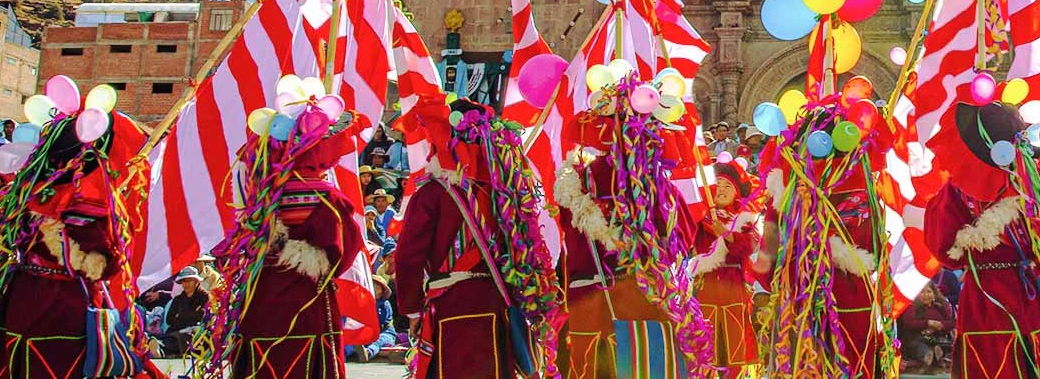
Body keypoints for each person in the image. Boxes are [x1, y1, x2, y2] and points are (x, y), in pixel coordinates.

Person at [0, 89, 163, 378]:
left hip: (19, 297)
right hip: (64, 304)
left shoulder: (24, 195)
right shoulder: (90, 200)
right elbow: (101, 265)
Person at [190, 92, 367, 379]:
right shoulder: (326, 199)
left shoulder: (258, 200)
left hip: (259, 305)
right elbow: (342, 254)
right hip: (308, 309)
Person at [924, 101, 1040, 377]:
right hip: (1028, 299)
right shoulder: (1033, 185)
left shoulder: (956, 193)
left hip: (984, 302)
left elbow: (944, 250)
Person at [549, 79, 714, 378]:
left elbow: (567, 236)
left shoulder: (576, 182)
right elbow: (684, 238)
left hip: (587, 304)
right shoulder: (657, 187)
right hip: (642, 300)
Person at [393, 98, 564, 378]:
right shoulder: (503, 195)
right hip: (495, 303)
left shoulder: (432, 195)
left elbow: (409, 255)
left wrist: (411, 309)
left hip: (450, 306)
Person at [757, 93, 897, 378]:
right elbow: (879, 246)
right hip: (854, 295)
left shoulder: (786, 191)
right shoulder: (865, 187)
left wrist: (768, 282)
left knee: (802, 363)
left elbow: (766, 259)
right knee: (856, 362)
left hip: (799, 291)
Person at [692, 162, 762, 376]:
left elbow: (750, 245)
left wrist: (726, 233)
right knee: (705, 347)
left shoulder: (745, 221)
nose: (721, 190)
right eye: (718, 185)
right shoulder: (699, 218)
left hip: (734, 290)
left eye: (727, 186)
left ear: (737, 193)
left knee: (735, 347)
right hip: (706, 289)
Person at [899, 286, 956, 373]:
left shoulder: (940, 307)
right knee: (919, 345)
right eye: (922, 292)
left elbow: (951, 322)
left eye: (929, 292)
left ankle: (936, 355)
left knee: (942, 344)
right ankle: (928, 356)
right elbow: (908, 322)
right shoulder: (912, 307)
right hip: (917, 338)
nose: (926, 295)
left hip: (937, 337)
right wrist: (928, 323)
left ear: (934, 294)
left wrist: (940, 326)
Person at [156, 267, 209, 357]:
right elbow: (170, 319)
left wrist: (181, 317)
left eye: (189, 280)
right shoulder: (178, 299)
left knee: (184, 337)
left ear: (196, 281)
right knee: (169, 337)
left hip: (197, 333)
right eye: (183, 281)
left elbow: (202, 316)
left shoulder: (205, 297)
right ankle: (158, 347)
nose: (186, 284)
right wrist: (188, 316)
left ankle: (161, 349)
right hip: (177, 331)